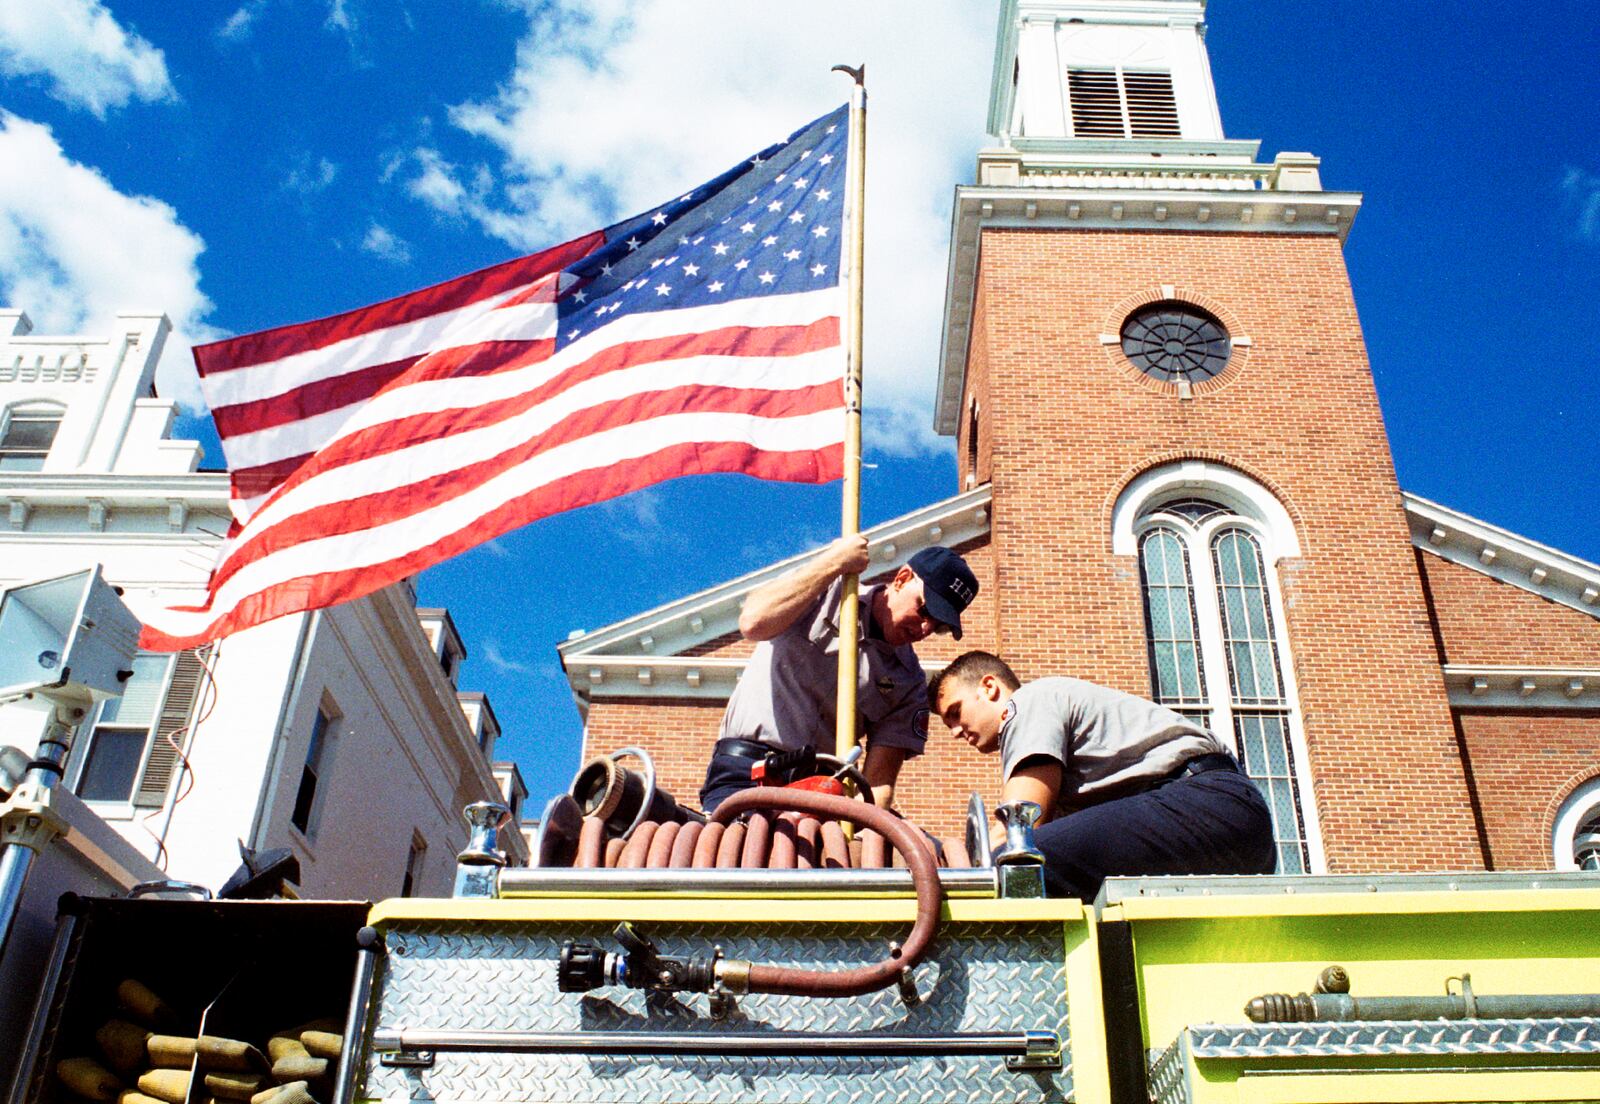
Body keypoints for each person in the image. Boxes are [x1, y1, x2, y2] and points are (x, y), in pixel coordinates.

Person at [928, 650, 1275, 900]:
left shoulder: (1028, 703)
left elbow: (1022, 825)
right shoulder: (1074, 773)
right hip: (1234, 832)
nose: (956, 731)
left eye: (956, 713)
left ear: (989, 687)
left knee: (1019, 867)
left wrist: (947, 865)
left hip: (1206, 803)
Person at [699, 535, 979, 812]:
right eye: (925, 610)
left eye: (939, 625)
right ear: (902, 578)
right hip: (747, 773)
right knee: (732, 852)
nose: (926, 628)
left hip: (820, 793)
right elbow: (753, 622)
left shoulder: (909, 682)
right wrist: (832, 563)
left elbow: (879, 784)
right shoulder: (823, 591)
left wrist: (859, 832)